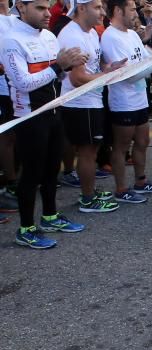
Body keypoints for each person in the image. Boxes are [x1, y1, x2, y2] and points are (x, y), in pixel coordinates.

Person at [5, 0, 88, 247]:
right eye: (40, 8)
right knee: (32, 173)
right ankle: (26, 228)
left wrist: (68, 67)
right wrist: (58, 67)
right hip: (29, 117)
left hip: (54, 111)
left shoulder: (50, 37)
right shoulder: (11, 40)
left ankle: (50, 216)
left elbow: (56, 76)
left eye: (47, 7)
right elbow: (23, 83)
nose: (47, 13)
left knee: (52, 168)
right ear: (21, 7)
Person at [102, 0, 152, 204]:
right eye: (133, 9)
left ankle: (140, 181)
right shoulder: (110, 37)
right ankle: (121, 188)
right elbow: (129, 75)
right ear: (118, 11)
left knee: (143, 141)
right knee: (121, 146)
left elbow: (149, 60)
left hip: (140, 99)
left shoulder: (132, 35)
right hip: (123, 102)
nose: (137, 13)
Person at [59, 0, 124, 213]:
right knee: (87, 152)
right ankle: (87, 198)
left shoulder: (91, 33)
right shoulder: (72, 35)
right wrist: (106, 75)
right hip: (80, 103)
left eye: (102, 7)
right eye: (97, 7)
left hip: (92, 100)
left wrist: (109, 67)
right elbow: (77, 78)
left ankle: (90, 191)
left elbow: (95, 65)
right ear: (81, 8)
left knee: (93, 151)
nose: (103, 12)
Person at [0, 0, 20, 219]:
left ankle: (12, 181)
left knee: (13, 137)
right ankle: (11, 182)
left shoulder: (15, 18)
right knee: (5, 138)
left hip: (17, 89)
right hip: (3, 89)